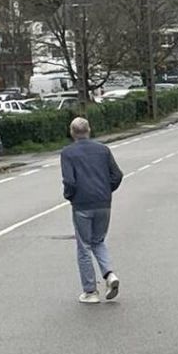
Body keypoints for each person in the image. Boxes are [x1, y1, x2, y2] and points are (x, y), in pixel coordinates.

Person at [60, 117, 123, 303]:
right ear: (89, 130)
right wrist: (106, 190)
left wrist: (70, 196)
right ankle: (109, 274)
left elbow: (70, 181)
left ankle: (90, 291)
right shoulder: (103, 150)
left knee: (84, 247)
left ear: (72, 132)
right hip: (103, 202)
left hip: (82, 204)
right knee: (99, 240)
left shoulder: (68, 153)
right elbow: (117, 175)